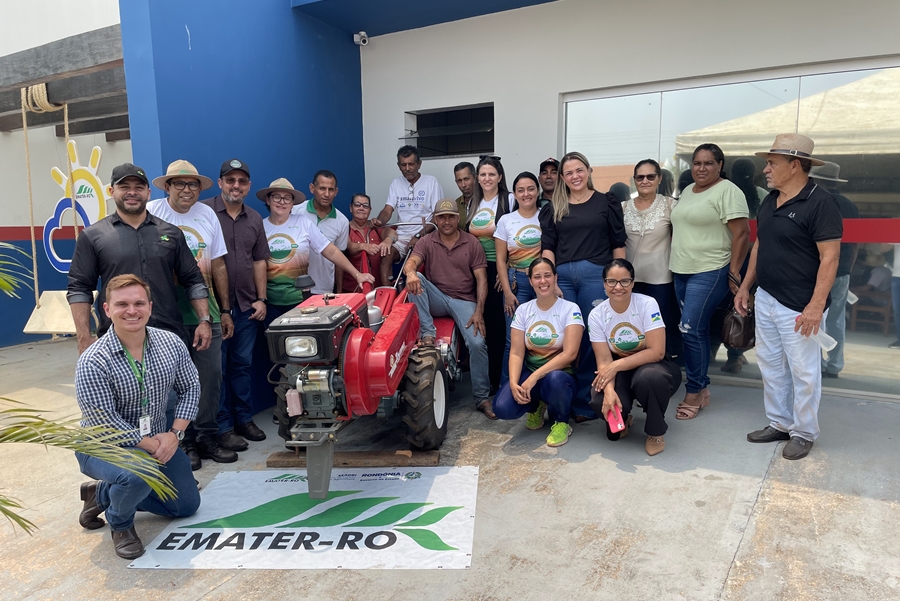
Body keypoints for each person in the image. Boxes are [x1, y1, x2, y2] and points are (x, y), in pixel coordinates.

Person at [75, 274, 201, 559]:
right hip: (103, 445)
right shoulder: (93, 360)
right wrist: (151, 445)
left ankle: (101, 494)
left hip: (158, 441)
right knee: (137, 475)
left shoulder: (170, 343)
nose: (131, 311)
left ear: (150, 307)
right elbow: (102, 419)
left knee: (185, 506)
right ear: (107, 310)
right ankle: (121, 523)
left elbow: (191, 387)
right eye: (122, 304)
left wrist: (174, 435)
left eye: (138, 303)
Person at [736, 133, 842, 461]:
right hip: (767, 297)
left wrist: (814, 306)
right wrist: (746, 286)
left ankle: (804, 432)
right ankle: (780, 423)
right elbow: (761, 245)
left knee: (804, 372)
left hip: (799, 305)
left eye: (772, 163)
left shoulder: (821, 202)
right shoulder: (771, 200)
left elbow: (830, 258)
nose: (765, 169)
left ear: (795, 165)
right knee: (771, 365)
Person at [147, 160, 236, 468]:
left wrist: (224, 310)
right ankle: (180, 443)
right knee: (168, 384)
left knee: (210, 378)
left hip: (205, 314)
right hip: (164, 316)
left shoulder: (207, 214)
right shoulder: (152, 213)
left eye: (193, 184)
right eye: (180, 184)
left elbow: (219, 264)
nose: (187, 190)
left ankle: (207, 436)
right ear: (167, 186)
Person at [67, 163, 210, 355]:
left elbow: (194, 281)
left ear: (148, 193)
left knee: (176, 386)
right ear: (111, 191)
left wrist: (204, 321)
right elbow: (79, 288)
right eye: (124, 187)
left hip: (168, 337)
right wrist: (84, 337)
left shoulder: (171, 233)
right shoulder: (93, 236)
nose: (132, 192)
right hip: (116, 340)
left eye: (139, 187)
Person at [540, 151, 627, 419]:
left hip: (594, 277)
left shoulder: (606, 202)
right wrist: (549, 279)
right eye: (568, 173)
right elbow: (548, 247)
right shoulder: (555, 206)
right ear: (563, 178)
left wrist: (618, 280)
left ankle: (584, 403)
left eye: (579, 170)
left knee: (593, 338)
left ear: (588, 171)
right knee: (563, 338)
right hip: (562, 278)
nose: (574, 176)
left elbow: (618, 244)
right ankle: (558, 398)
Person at [669, 144, 749, 420]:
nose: (701, 168)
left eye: (708, 163)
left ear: (720, 165)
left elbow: (742, 234)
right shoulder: (689, 191)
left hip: (711, 269)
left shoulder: (728, 191)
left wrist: (734, 271)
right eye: (697, 163)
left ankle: (694, 390)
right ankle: (702, 389)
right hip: (681, 270)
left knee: (690, 329)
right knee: (694, 330)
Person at [203, 159, 270, 452]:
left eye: (242, 182)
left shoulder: (255, 218)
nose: (236, 186)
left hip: (245, 308)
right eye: (230, 180)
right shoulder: (204, 212)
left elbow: (259, 261)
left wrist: (261, 298)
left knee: (242, 366)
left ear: (248, 186)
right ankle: (221, 427)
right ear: (220, 183)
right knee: (216, 370)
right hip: (213, 309)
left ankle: (243, 419)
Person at [403, 199, 492, 418]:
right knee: (417, 279)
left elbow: (482, 280)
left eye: (451, 216)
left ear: (458, 218)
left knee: (478, 343)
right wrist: (411, 273)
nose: (446, 221)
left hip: (463, 300)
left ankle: (482, 397)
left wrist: (479, 311)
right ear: (435, 219)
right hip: (436, 296)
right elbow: (411, 263)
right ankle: (428, 333)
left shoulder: (471, 243)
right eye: (441, 217)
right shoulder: (426, 241)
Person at [588, 259, 682, 456]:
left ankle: (655, 431)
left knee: (650, 379)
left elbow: (656, 351)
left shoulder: (647, 304)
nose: (618, 287)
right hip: (619, 370)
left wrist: (615, 366)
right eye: (612, 281)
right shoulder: (596, 315)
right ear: (604, 284)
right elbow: (604, 361)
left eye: (624, 281)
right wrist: (609, 392)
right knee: (599, 402)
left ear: (632, 283)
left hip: (653, 365)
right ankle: (625, 418)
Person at [492, 257, 583, 447]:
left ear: (555, 278)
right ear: (531, 281)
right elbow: (516, 352)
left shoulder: (570, 309)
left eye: (547, 276)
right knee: (502, 408)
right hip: (531, 372)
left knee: (555, 380)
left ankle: (562, 421)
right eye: (538, 277)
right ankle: (536, 406)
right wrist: (516, 382)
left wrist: (534, 378)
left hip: (561, 376)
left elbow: (570, 354)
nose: (543, 281)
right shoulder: (524, 310)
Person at [623, 159, 681, 361]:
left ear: (659, 178)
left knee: (659, 326)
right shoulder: (623, 207)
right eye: (640, 177)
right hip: (629, 280)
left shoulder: (670, 205)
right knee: (631, 327)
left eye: (650, 176)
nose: (645, 181)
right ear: (634, 180)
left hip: (660, 279)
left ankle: (660, 373)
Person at [467, 155, 513, 394]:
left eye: (491, 174)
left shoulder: (509, 200)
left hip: (498, 268)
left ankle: (500, 382)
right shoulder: (473, 204)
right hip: (475, 270)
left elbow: (516, 232)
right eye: (483, 174)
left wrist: (506, 268)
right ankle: (484, 380)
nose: (487, 178)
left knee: (498, 328)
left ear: (500, 177)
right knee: (480, 326)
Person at [810, 162, 859, 377]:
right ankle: (835, 365)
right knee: (837, 319)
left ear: (818, 181)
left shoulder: (817, 201)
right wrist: (849, 266)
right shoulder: (850, 205)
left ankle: (817, 364)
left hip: (818, 269)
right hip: (843, 268)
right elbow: (856, 242)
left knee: (814, 317)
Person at [717, 158, 764, 374]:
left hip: (725, 257)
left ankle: (711, 352)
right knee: (742, 309)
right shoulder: (763, 196)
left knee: (721, 307)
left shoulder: (725, 192)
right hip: (752, 259)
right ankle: (735, 355)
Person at [495, 171, 543, 384]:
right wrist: (506, 292)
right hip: (517, 283)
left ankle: (538, 389)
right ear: (514, 194)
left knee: (541, 337)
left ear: (538, 190)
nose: (526, 194)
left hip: (543, 283)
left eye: (531, 188)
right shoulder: (506, 220)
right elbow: (500, 259)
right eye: (521, 190)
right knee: (512, 340)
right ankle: (509, 388)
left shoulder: (546, 216)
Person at [374, 145, 443, 271]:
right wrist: (379, 221)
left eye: (411, 164)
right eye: (403, 165)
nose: (407, 169)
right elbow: (387, 209)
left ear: (419, 164)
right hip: (402, 236)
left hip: (424, 235)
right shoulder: (396, 183)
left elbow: (437, 216)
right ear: (398, 165)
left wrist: (418, 235)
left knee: (414, 264)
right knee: (385, 256)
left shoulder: (431, 182)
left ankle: (413, 290)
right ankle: (388, 291)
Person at [291, 170, 350, 294]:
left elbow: (339, 259)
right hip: (294, 288)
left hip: (324, 289)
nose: (327, 194)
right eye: (322, 188)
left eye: (331, 189)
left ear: (336, 192)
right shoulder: (296, 212)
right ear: (312, 188)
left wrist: (339, 291)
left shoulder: (342, 221)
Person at [339, 193, 395, 291]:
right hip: (352, 291)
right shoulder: (345, 228)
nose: (361, 208)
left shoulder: (375, 227)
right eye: (357, 205)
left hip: (378, 291)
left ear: (370, 210)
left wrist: (388, 240)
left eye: (365, 206)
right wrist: (364, 246)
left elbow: (392, 232)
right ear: (351, 208)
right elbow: (348, 246)